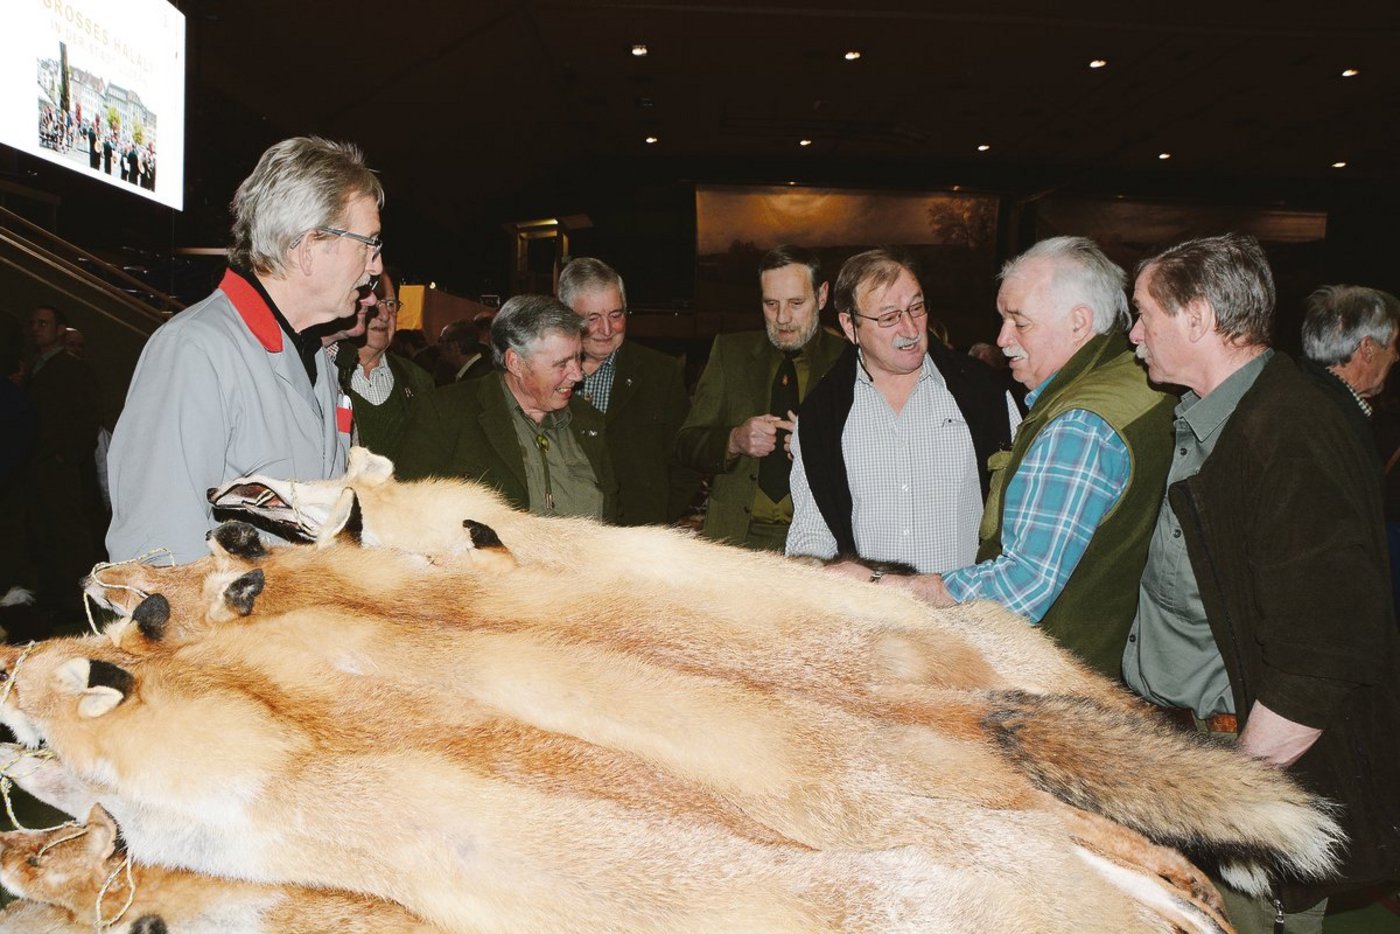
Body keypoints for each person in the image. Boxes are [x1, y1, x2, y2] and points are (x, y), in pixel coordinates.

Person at [1121, 233, 1400, 931]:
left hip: (1241, 767)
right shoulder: (1222, 415)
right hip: (1188, 754)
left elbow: (1321, 653)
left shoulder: (1286, 431)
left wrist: (1232, 798)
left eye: (1143, 313)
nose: (1133, 334)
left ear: (1198, 318)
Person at [835, 237, 1174, 678]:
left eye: (1019, 322)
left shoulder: (1076, 426)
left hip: (1057, 683)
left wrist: (888, 588)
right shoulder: (1140, 382)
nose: (1002, 339)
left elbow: (1024, 584)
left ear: (1078, 323)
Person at [106, 136, 383, 563]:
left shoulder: (316, 361)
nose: (376, 265)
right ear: (309, 247)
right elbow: (156, 554)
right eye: (368, 243)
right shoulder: (194, 352)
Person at [786, 249, 1018, 572]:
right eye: (889, 317)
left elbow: (1023, 515)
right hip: (871, 617)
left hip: (969, 611)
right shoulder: (820, 417)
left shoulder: (984, 394)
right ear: (850, 326)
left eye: (916, 308)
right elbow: (811, 532)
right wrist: (813, 574)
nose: (910, 329)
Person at [675, 245, 846, 550]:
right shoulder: (730, 354)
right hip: (735, 541)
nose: (782, 318)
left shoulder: (849, 361)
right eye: (771, 304)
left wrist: (818, 449)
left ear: (821, 297)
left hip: (821, 544)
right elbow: (687, 445)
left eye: (796, 303)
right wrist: (734, 440)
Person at [396, 295, 617, 520]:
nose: (578, 374)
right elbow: (408, 513)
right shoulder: (443, 414)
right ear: (515, 363)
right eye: (562, 364)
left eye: (578, 358)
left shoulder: (589, 421)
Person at [559, 257, 698, 526]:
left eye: (616, 315)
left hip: (637, 539)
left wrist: (657, 519)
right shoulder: (544, 372)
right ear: (566, 316)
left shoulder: (660, 372)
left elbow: (686, 460)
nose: (607, 330)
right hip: (564, 535)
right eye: (592, 318)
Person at [23, 306, 104, 624]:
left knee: (66, 530)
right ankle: (55, 595)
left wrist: (66, 455)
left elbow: (88, 416)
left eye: (42, 323)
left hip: (58, 466)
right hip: (41, 463)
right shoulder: (37, 367)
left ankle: (75, 599)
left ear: (59, 329)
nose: (35, 329)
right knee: (45, 529)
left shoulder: (69, 368)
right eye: (33, 323)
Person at [334, 271, 435, 459]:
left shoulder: (419, 381)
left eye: (390, 304)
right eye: (375, 304)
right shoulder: (326, 372)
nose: (384, 315)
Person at [1299, 284, 1400, 455]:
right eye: (1393, 344)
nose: (1396, 356)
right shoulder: (1333, 423)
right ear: (1368, 348)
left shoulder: (1303, 403)